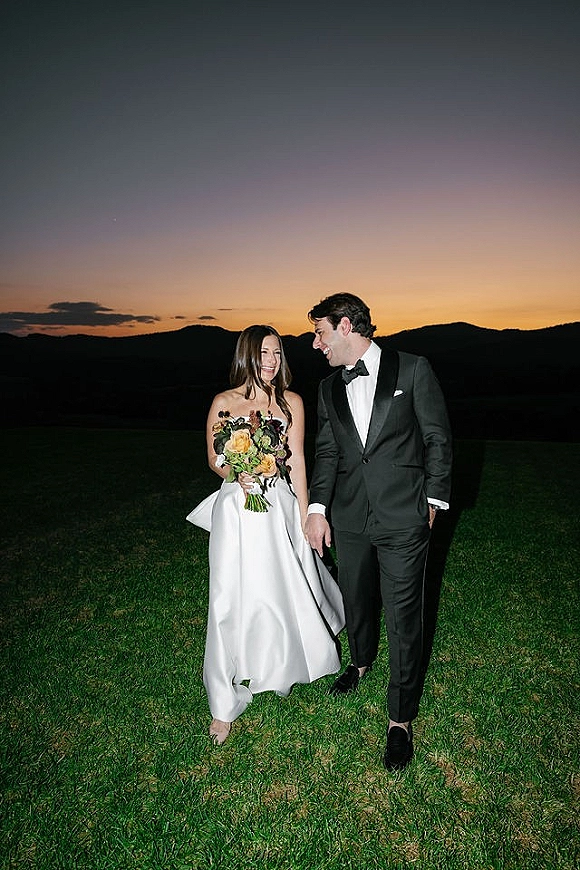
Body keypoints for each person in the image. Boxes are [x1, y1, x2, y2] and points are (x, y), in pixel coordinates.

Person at [304, 294, 452, 771]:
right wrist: (318, 508)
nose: (315, 343)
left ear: (346, 326)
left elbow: (437, 437)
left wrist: (433, 500)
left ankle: (400, 720)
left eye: (320, 332)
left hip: (404, 515)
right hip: (348, 516)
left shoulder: (412, 369)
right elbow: (326, 452)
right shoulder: (328, 387)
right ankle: (361, 659)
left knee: (405, 612)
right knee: (355, 595)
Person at [186, 325, 344, 745]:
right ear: (247, 356)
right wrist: (240, 469)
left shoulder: (291, 402)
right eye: (263, 353)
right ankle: (223, 704)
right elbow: (215, 460)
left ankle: (286, 657)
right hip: (236, 510)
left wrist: (310, 512)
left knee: (283, 585)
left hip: (278, 507)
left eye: (276, 353)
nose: (271, 361)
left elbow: (299, 465)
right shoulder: (224, 402)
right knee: (227, 596)